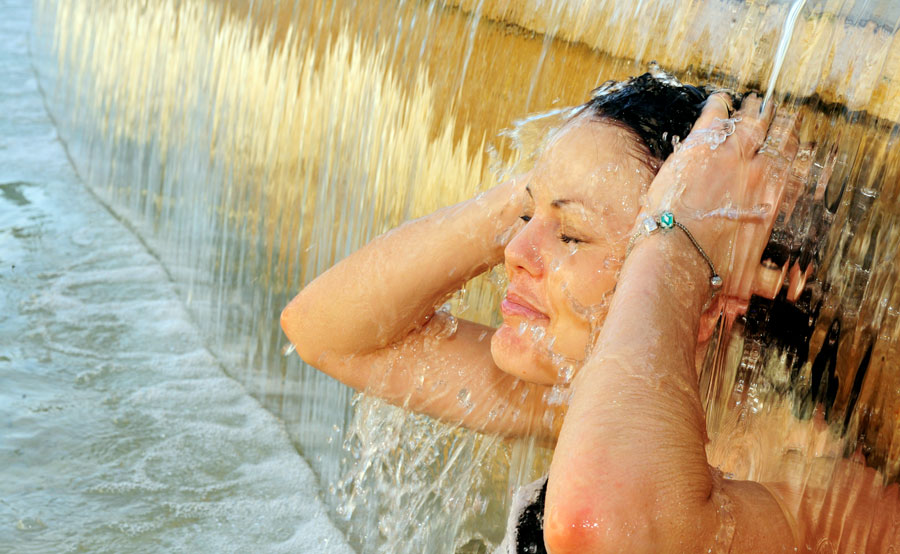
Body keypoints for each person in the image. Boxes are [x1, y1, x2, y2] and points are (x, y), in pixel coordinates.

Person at [280, 72, 899, 552]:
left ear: (706, 298)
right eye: (526, 220)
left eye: (571, 236)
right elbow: (327, 333)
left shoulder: (830, 505)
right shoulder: (577, 400)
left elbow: (601, 525)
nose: (515, 252)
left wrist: (677, 239)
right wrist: (544, 191)